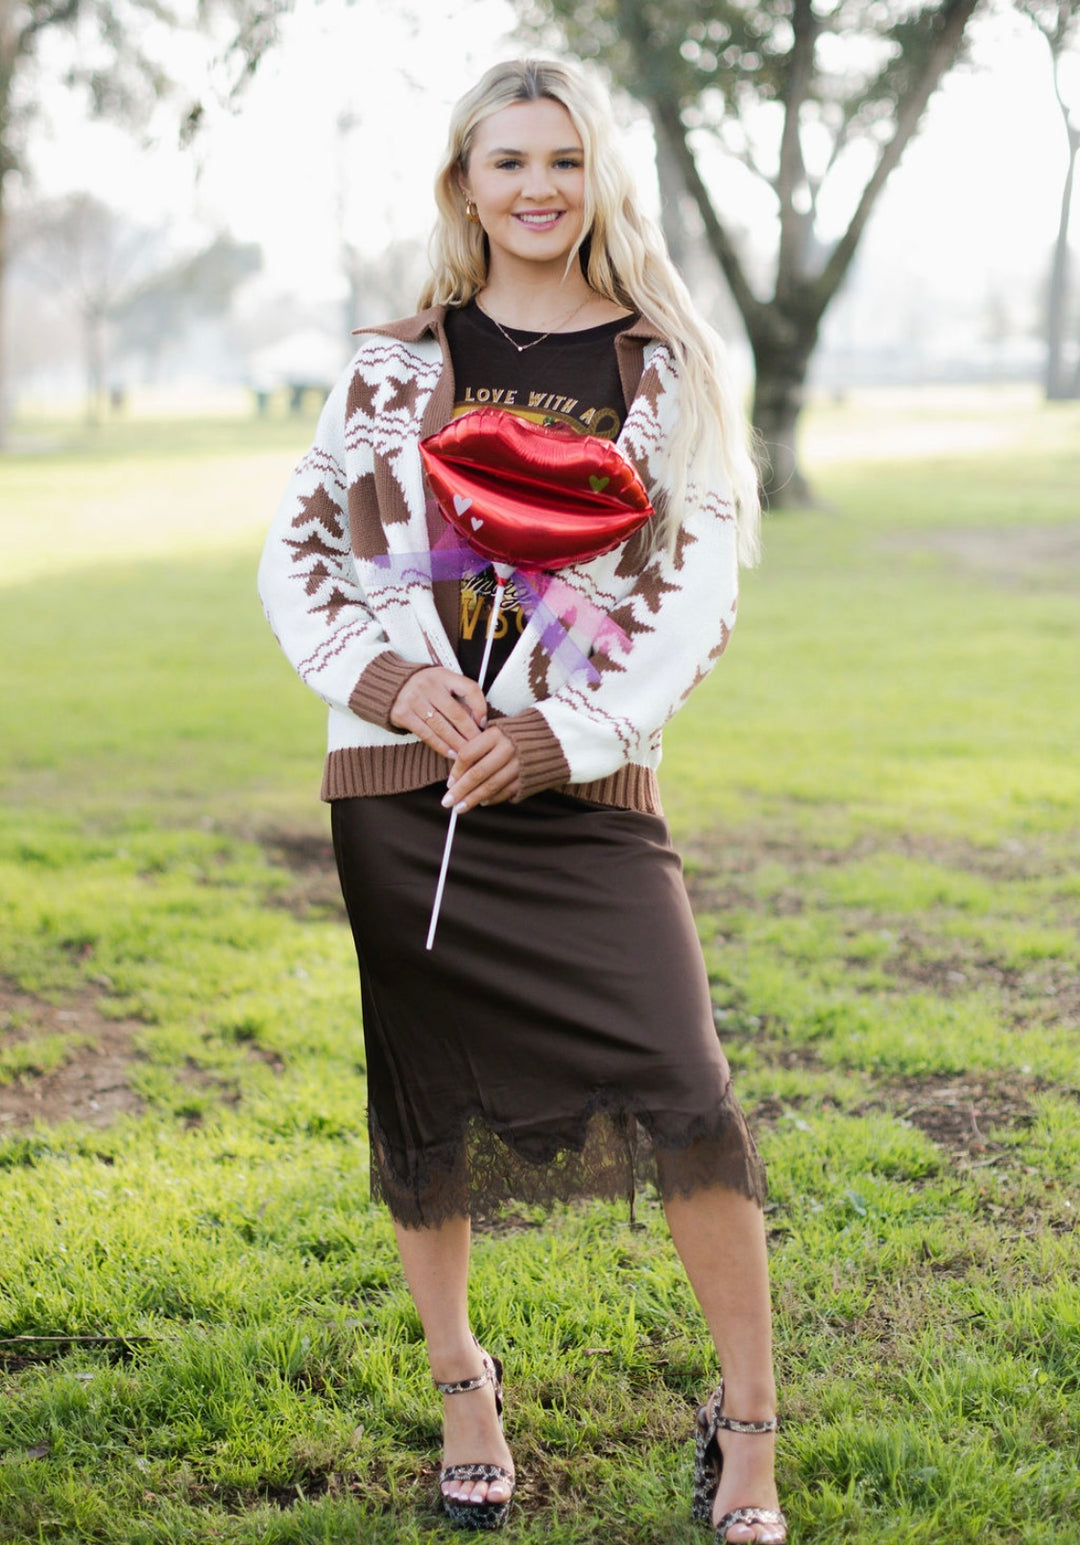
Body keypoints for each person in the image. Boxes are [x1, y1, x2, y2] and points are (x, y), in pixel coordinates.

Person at [258, 57, 786, 1545]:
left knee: (687, 1088)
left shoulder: (664, 368)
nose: (538, 187)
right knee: (425, 1103)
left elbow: (699, 586)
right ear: (464, 184)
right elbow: (299, 555)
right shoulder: (386, 365)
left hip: (582, 792)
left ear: (598, 178)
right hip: (404, 796)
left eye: (564, 159)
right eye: (508, 162)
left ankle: (748, 1426)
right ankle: (462, 1390)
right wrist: (392, 689)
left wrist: (561, 733)